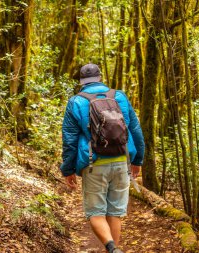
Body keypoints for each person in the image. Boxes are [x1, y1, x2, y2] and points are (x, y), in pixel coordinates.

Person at [60, 63, 145, 253]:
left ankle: (111, 248)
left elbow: (70, 141)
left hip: (93, 164)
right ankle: (114, 250)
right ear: (100, 78)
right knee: (115, 213)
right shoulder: (120, 97)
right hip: (122, 161)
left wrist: (68, 169)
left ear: (81, 81)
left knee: (96, 213)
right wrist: (138, 160)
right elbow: (136, 131)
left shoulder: (76, 102)